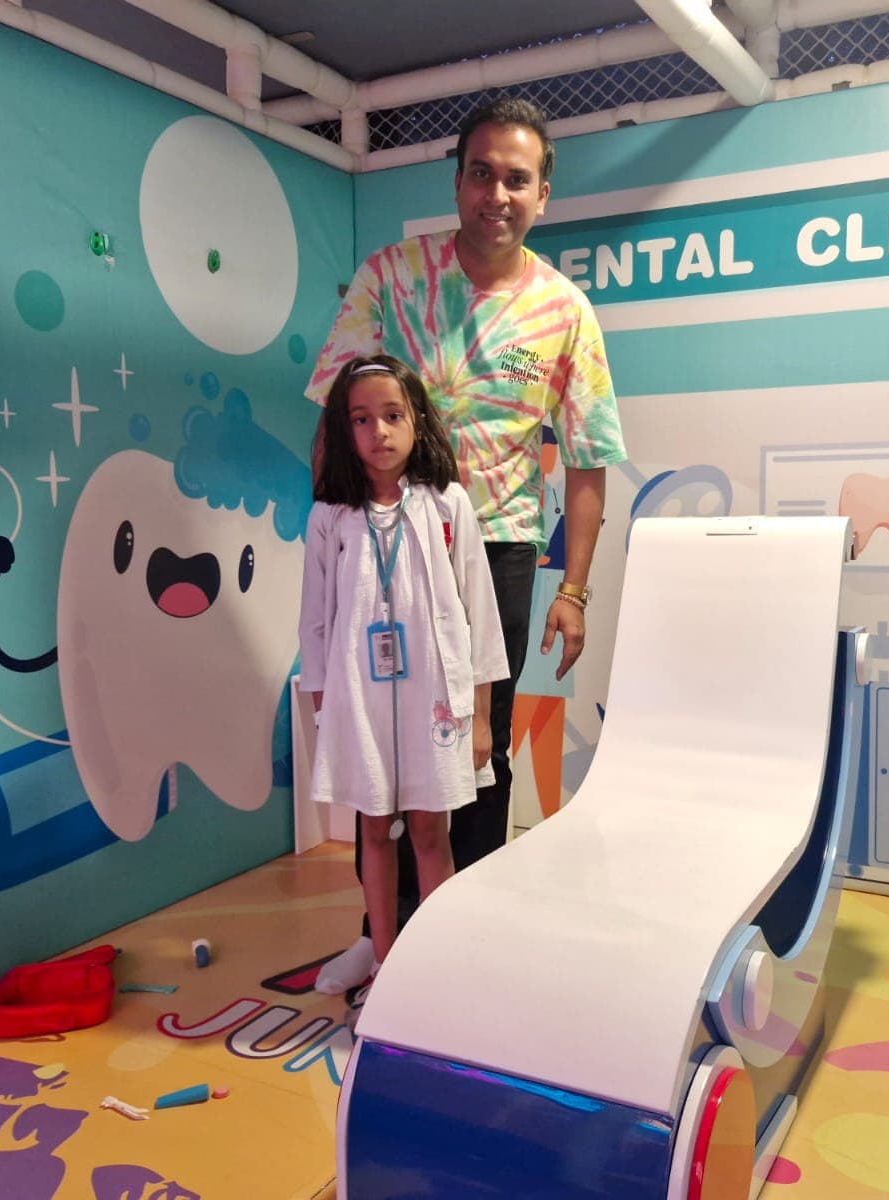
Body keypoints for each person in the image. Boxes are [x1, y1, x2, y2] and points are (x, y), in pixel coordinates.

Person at [305, 97, 627, 993]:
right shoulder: (392, 276)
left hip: (497, 555)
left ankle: (469, 950)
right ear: (457, 180)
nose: (497, 193)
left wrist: (577, 590)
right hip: (383, 550)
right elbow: (334, 420)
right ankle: (388, 939)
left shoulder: (565, 313)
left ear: (543, 193)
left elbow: (590, 466)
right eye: (480, 172)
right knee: (384, 756)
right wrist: (333, 551)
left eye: (516, 178)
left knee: (472, 757)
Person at [297, 355, 509, 972]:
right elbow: (315, 623)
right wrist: (323, 709)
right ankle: (386, 964)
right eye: (362, 420)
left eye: (392, 415)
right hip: (360, 704)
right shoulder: (330, 517)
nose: (379, 432)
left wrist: (485, 719)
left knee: (428, 833)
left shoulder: (448, 505)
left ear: (417, 418)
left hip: (433, 703)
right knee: (372, 833)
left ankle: (435, 970)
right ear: (344, 430)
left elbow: (481, 615)